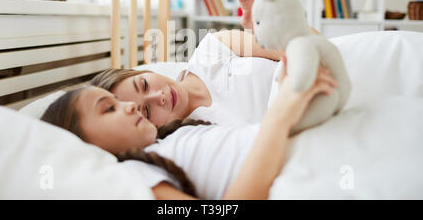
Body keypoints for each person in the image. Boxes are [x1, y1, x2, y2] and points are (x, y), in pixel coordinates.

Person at [41, 56, 337, 199]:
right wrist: (281, 116)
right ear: (84, 145)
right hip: (297, 171)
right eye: (109, 108)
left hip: (307, 145)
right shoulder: (133, 178)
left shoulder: (172, 136)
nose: (128, 106)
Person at [91, 0, 318, 128]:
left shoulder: (213, 47)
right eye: (147, 112)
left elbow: (309, 43)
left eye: (143, 85)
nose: (157, 97)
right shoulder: (190, 140)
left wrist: (272, 24)